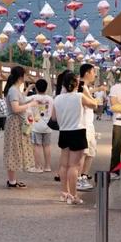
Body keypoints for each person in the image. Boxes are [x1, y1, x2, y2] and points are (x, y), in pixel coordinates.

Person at [51, 71, 98, 205]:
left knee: (64, 165)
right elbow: (94, 105)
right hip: (77, 131)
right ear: (77, 83)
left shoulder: (58, 98)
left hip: (64, 132)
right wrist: (85, 92)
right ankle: (73, 195)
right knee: (74, 166)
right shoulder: (79, 96)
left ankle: (64, 193)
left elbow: (53, 118)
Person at [3, 66, 37, 189]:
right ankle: (12, 181)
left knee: (15, 149)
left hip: (16, 123)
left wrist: (28, 91)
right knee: (13, 150)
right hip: (14, 123)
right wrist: (30, 104)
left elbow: (19, 100)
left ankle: (13, 180)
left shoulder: (15, 89)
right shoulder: (13, 90)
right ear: (20, 77)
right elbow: (15, 108)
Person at [76, 64, 99, 191]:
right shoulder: (81, 86)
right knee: (83, 153)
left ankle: (83, 176)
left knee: (90, 152)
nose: (94, 74)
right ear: (87, 73)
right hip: (83, 125)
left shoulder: (84, 87)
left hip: (89, 124)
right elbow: (94, 104)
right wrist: (95, 101)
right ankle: (78, 178)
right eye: (93, 72)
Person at [26, 79, 54, 173]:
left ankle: (38, 167)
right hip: (48, 126)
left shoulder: (33, 97)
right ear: (46, 88)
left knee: (37, 146)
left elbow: (21, 99)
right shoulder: (50, 99)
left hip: (36, 125)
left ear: (36, 88)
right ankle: (48, 166)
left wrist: (29, 88)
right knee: (47, 145)